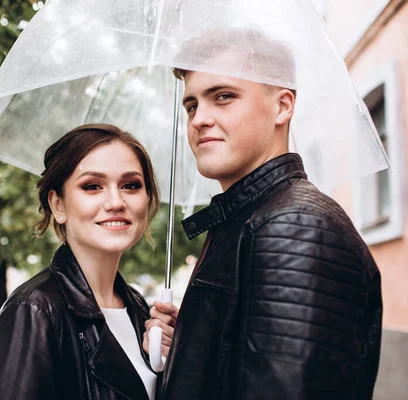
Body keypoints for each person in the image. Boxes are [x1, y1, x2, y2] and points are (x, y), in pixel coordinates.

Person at [146, 28, 383, 399]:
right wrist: (189, 347)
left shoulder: (294, 227)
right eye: (191, 105)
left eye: (222, 97)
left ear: (283, 106)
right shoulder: (245, 219)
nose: (198, 119)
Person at [0, 123, 168, 400]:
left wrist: (173, 362)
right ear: (58, 205)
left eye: (131, 185)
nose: (116, 201)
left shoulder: (140, 309)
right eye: (92, 186)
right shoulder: (34, 311)